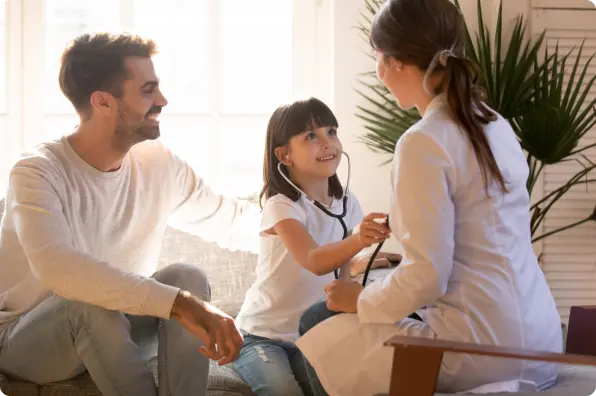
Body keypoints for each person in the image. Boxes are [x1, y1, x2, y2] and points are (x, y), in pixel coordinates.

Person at [296, 1, 563, 395]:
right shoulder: (495, 124)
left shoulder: (422, 142)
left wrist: (363, 299)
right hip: (542, 344)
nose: (379, 71)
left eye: (378, 57)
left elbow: (428, 275)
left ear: (397, 62)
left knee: (315, 324)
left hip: (479, 353)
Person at [0, 32, 260, 396]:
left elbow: (233, 220)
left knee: (186, 276)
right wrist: (181, 305)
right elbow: (59, 267)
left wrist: (326, 237)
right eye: (148, 90)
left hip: (117, 327)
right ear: (103, 103)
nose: (163, 100)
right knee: (89, 308)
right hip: (26, 339)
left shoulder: (157, 163)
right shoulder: (37, 171)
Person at [231, 97, 400, 396]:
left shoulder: (346, 202)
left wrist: (359, 260)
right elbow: (313, 259)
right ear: (284, 155)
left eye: (331, 132)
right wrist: (358, 239)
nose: (327, 143)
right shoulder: (281, 206)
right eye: (311, 136)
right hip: (263, 336)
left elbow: (340, 268)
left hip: (313, 331)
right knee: (284, 391)